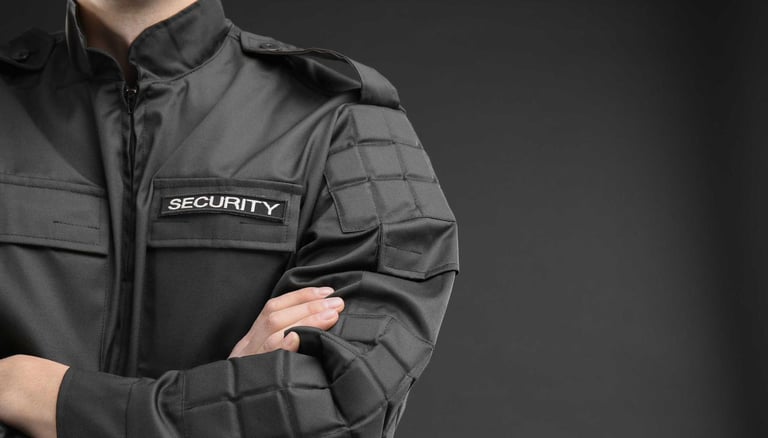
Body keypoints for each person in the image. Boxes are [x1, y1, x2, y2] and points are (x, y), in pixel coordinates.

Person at [0, 0, 459, 436]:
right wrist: (225, 407)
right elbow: (277, 417)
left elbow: (341, 407)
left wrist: (37, 394)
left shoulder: (343, 121)